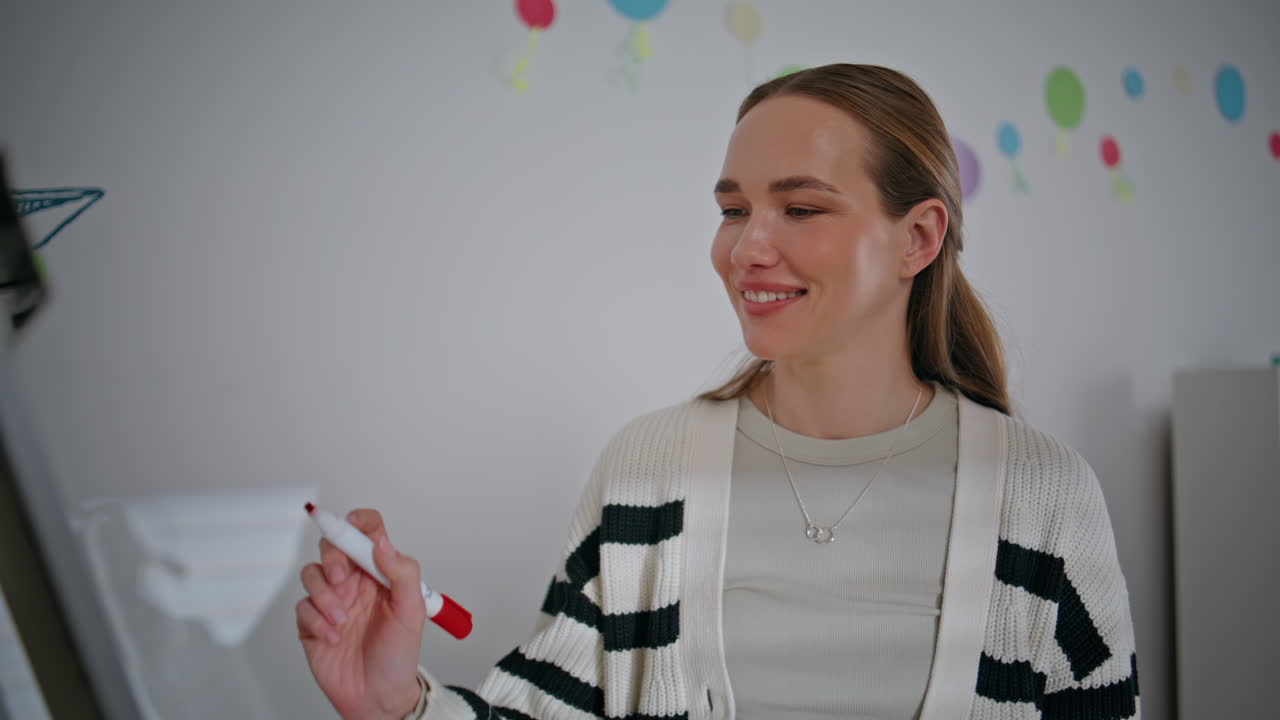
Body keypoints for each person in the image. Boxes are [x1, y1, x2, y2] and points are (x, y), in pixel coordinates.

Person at [296, 64, 1141, 719]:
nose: (747, 248)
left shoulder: (1044, 500)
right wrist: (395, 701)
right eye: (734, 210)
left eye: (801, 210)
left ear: (917, 237)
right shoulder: (646, 475)